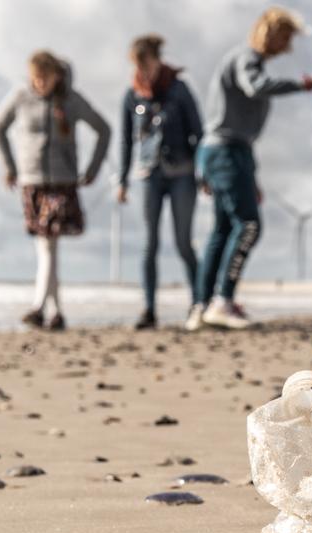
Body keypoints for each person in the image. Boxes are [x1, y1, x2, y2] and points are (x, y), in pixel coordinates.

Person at [189, 7, 312, 331]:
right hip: (225, 151)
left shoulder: (247, 59)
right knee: (249, 225)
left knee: (223, 230)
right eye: (285, 37)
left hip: (223, 152)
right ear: (272, 32)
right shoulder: (247, 58)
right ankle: (222, 301)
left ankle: (201, 306)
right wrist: (305, 84)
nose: (287, 46)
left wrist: (250, 175)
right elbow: (255, 86)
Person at [0, 51, 111, 331]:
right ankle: (56, 313)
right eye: (35, 78)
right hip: (31, 181)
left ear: (57, 76)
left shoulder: (71, 100)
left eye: (45, 78)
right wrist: (8, 166)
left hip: (62, 181)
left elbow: (104, 130)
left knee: (47, 243)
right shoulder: (21, 97)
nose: (39, 84)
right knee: (48, 246)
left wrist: (92, 169)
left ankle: (37, 307)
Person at [117, 35, 204, 331]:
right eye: (138, 68)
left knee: (183, 243)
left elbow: (199, 134)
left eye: (147, 65)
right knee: (149, 243)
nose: (144, 72)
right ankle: (149, 310)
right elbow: (126, 141)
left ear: (157, 59)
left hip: (182, 173)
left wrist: (203, 173)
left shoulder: (179, 89)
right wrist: (122, 180)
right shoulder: (132, 96)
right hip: (148, 175)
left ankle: (199, 304)